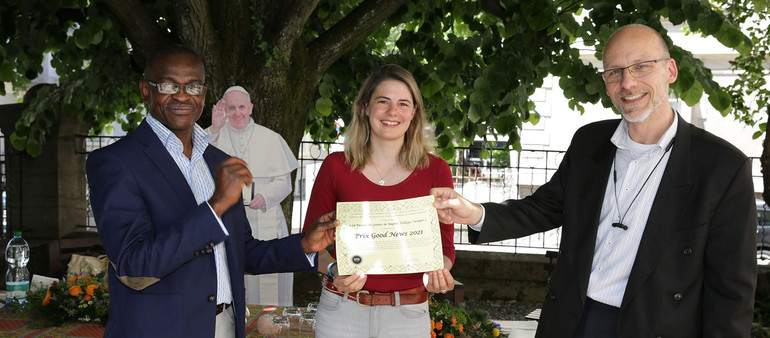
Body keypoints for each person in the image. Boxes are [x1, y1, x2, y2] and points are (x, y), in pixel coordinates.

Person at [432, 24, 757, 337]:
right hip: (572, 320)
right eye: (614, 72)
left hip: (652, 326)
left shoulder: (722, 167)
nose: (627, 83)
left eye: (641, 67)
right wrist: (474, 213)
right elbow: (543, 208)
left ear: (670, 71)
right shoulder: (590, 142)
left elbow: (730, 293)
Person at [86, 45, 338, 338]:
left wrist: (304, 245)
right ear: (146, 90)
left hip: (225, 325)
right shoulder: (115, 162)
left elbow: (242, 251)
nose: (182, 95)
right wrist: (215, 207)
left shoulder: (217, 161)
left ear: (204, 94)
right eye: (169, 85)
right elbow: (135, 265)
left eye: (193, 86)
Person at [301, 64, 456, 337]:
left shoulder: (437, 170)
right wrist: (335, 268)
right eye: (383, 102)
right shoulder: (335, 166)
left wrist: (439, 272)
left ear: (414, 113)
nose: (392, 112)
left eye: (403, 104)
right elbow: (311, 243)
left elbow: (444, 247)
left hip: (408, 315)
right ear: (364, 107)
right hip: (342, 311)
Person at [206, 86, 299, 306]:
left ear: (250, 108)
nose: (237, 113)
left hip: (264, 217)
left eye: (241, 107)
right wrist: (214, 128)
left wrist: (265, 197)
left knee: (269, 278)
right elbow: (194, 160)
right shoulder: (214, 135)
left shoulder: (271, 138)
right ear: (223, 109)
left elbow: (284, 183)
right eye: (231, 108)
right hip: (226, 218)